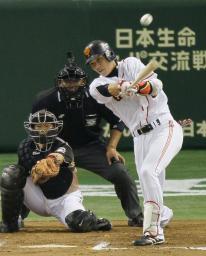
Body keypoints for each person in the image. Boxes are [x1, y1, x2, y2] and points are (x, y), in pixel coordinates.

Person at [83, 40, 184, 245]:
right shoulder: (95, 85)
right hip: (140, 137)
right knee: (149, 185)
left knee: (148, 171)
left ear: (110, 55)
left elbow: (157, 85)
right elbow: (106, 90)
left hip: (165, 128)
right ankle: (162, 214)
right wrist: (121, 87)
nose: (97, 66)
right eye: (93, 64)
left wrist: (139, 88)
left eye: (99, 60)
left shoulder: (131, 64)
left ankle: (154, 232)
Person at [31, 53, 144, 227]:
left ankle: (136, 215)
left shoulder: (95, 96)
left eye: (76, 81)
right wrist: (41, 155)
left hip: (89, 147)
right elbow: (35, 129)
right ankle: (14, 219)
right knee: (26, 173)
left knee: (120, 173)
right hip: (55, 149)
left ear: (83, 81)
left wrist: (112, 147)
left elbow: (118, 122)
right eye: (67, 81)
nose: (71, 85)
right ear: (59, 82)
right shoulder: (45, 100)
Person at [0, 110, 112, 233]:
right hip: (37, 197)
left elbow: (60, 156)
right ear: (31, 128)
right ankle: (11, 222)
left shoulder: (63, 145)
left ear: (55, 127)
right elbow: (20, 181)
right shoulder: (25, 147)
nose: (43, 130)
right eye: (39, 126)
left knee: (79, 223)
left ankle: (92, 220)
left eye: (47, 126)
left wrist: (51, 160)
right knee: (11, 175)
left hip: (64, 198)